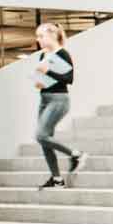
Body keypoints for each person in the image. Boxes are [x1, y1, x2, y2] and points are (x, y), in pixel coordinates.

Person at [31, 22, 84, 189]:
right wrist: (39, 79)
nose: (38, 39)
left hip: (59, 100)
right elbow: (44, 81)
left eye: (41, 36)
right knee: (44, 141)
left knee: (40, 136)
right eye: (37, 36)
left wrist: (47, 71)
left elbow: (69, 79)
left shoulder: (63, 54)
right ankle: (57, 179)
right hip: (44, 98)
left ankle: (76, 155)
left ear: (52, 35)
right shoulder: (43, 55)